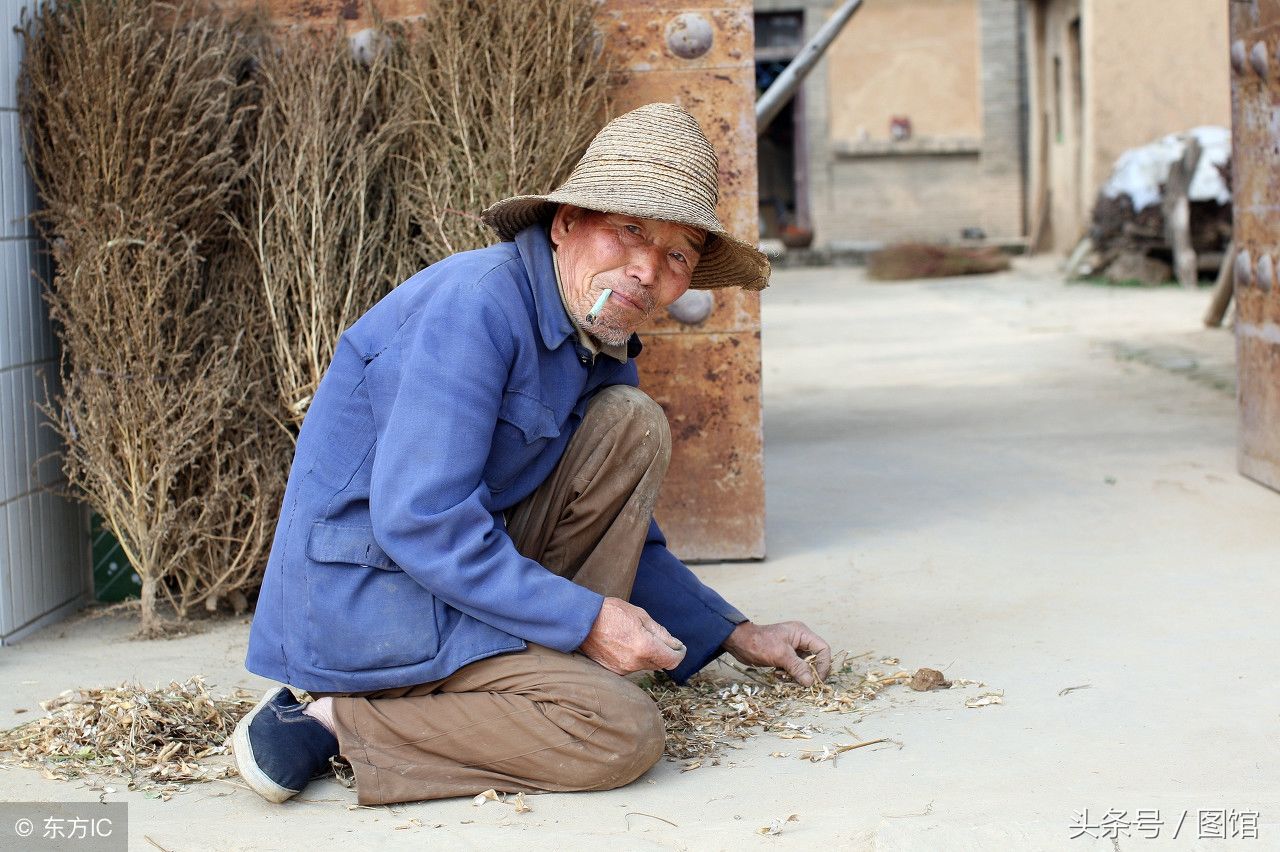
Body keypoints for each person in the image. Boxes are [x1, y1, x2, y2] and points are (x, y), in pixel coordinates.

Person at [234, 103, 832, 807]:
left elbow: (628, 535)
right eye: (629, 230)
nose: (646, 269)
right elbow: (422, 520)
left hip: (447, 584)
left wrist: (736, 633)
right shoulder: (476, 305)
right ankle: (333, 720)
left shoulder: (596, 345)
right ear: (565, 222)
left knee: (630, 422)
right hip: (374, 603)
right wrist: (586, 621)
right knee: (619, 732)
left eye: (677, 256)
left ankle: (526, 671)